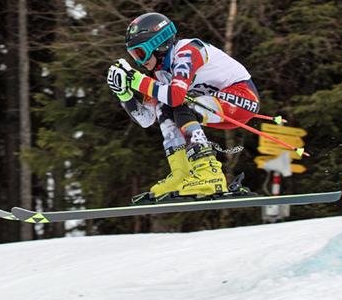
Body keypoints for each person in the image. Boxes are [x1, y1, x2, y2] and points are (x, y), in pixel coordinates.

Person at [106, 12, 260, 204]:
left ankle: (208, 172)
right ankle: (182, 172)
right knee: (164, 105)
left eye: (140, 53)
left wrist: (136, 79)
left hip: (241, 98)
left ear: (158, 44)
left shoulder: (186, 51)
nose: (139, 62)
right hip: (213, 106)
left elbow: (177, 96)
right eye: (133, 55)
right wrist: (124, 94)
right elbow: (147, 119)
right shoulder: (159, 73)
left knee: (178, 101)